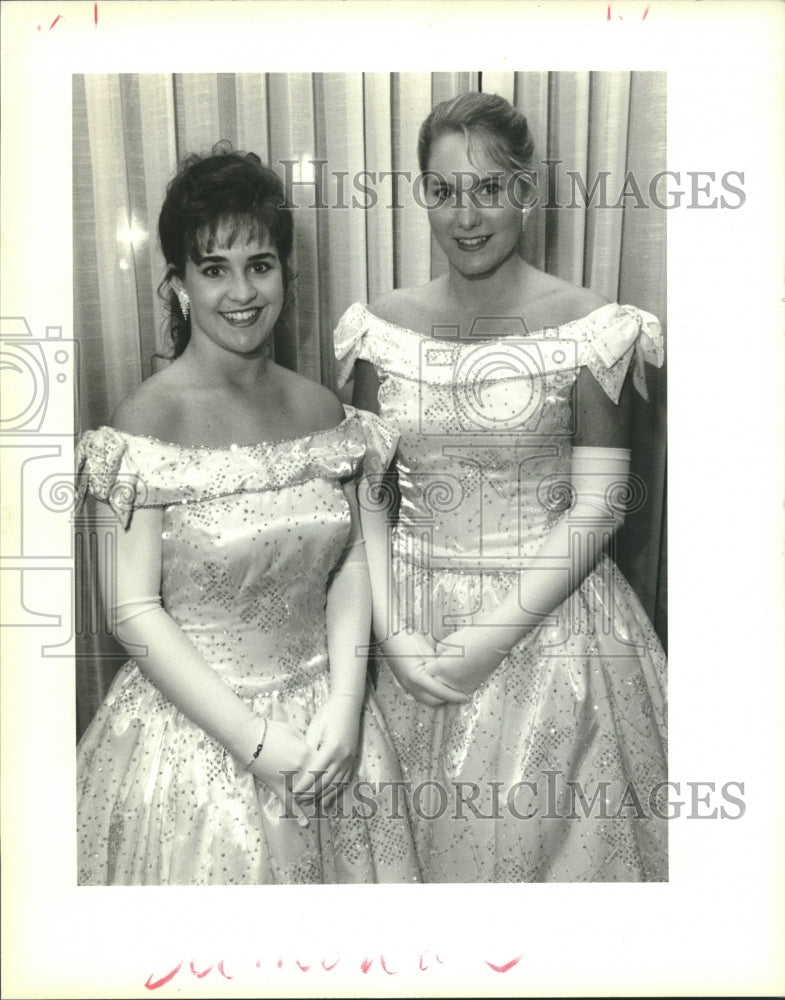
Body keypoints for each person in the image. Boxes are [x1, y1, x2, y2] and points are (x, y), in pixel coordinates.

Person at [334, 93, 668, 882]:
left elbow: (600, 506)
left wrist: (483, 642)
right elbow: (367, 499)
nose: (466, 216)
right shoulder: (380, 326)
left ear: (526, 190)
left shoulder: (590, 325)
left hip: (554, 630)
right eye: (444, 191)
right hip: (406, 627)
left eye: (488, 189)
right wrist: (395, 634)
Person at [75, 145, 420, 885]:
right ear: (177, 287)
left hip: (331, 728)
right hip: (199, 742)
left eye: (260, 265)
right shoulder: (146, 419)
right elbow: (132, 611)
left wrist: (346, 704)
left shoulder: (321, 407)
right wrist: (257, 743)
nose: (241, 292)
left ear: (286, 277)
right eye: (213, 268)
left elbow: (352, 561)